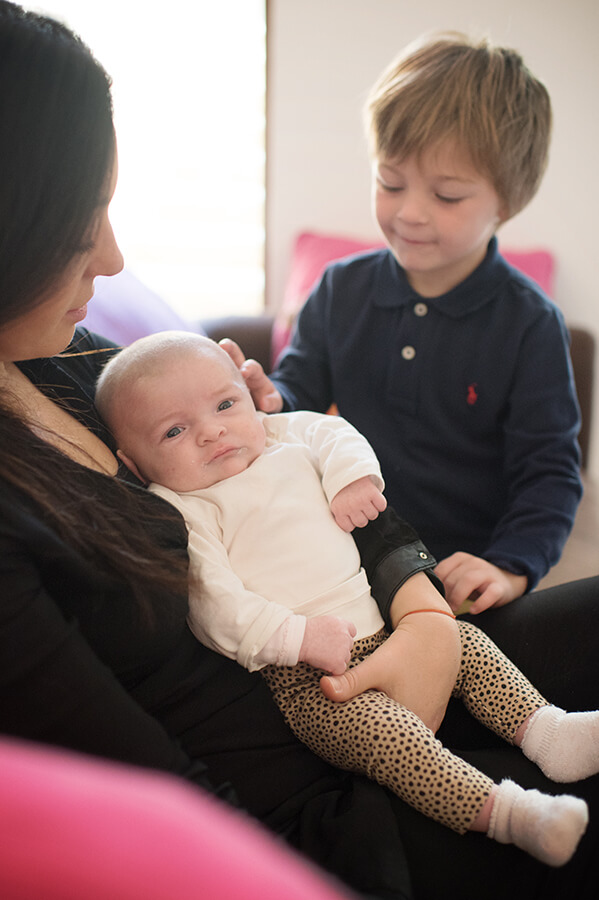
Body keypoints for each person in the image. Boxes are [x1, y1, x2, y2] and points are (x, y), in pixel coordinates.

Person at [1, 3, 598, 897]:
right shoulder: (338, 294)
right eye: (85, 216)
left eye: (444, 194)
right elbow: (162, 810)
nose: (118, 258)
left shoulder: (75, 364)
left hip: (389, 594)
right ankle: (506, 801)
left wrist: (422, 606)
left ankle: (534, 726)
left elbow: (310, 451)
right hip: (318, 739)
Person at [96, 329, 596, 866]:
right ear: (135, 463)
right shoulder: (187, 510)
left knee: (470, 648)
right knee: (393, 739)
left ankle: (549, 733)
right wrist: (300, 638)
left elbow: (333, 432)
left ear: (246, 394)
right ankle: (510, 815)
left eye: (224, 403)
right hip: (314, 677)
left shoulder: (279, 434)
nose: (212, 431)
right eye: (174, 431)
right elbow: (215, 608)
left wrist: (353, 478)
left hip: (383, 621)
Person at [233, 33, 583, 616]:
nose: (410, 212)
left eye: (446, 195)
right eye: (390, 183)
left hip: (461, 575)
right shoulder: (341, 289)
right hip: (348, 554)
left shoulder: (530, 325)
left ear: (509, 201)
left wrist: (512, 566)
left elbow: (549, 475)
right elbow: (299, 393)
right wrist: (266, 396)